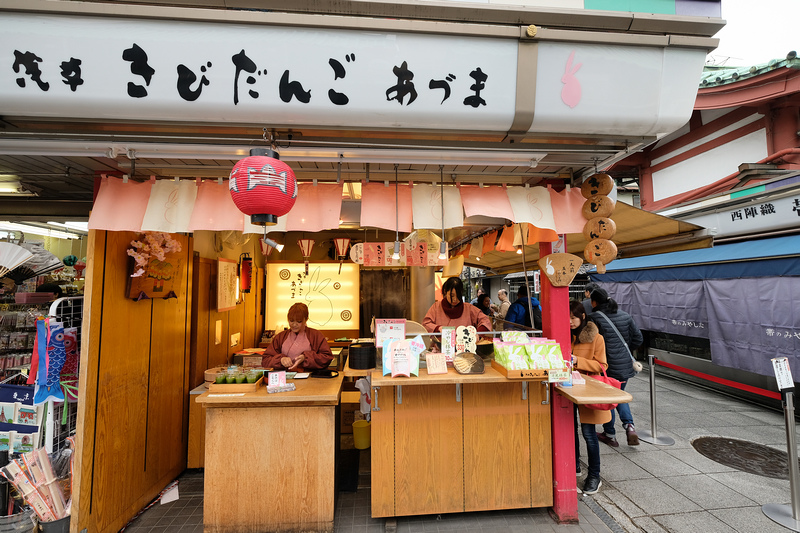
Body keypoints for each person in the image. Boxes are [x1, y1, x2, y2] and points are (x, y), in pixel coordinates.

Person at [589, 288, 643, 447]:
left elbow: (592, 344)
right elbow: (638, 339)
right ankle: (629, 425)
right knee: (619, 395)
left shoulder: (594, 318)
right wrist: (625, 352)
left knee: (610, 399)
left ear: (594, 302)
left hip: (607, 367)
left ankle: (610, 434)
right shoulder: (625, 316)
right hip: (625, 366)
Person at [569, 300, 610, 495]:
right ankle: (575, 465)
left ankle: (595, 475)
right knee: (569, 430)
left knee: (588, 434)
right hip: (568, 388)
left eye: (573, 318)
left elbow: (602, 366)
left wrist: (578, 361)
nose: (570, 322)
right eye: (567, 318)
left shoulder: (596, 338)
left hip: (587, 391)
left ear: (582, 316)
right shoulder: (567, 335)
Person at [261, 302, 333, 371]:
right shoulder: (280, 337)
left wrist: (306, 358)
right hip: (284, 377)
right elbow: (266, 360)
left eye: (299, 321)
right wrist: (281, 360)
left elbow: (327, 357)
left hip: (310, 377)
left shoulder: (316, 335)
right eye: (291, 321)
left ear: (306, 319)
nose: (294, 324)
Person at [423, 277, 491, 333]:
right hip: (441, 347)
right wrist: (438, 328)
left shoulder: (469, 308)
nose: (455, 299)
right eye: (452, 296)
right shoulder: (436, 307)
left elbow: (485, 321)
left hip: (464, 348)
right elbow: (425, 324)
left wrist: (477, 334)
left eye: (458, 295)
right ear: (445, 292)